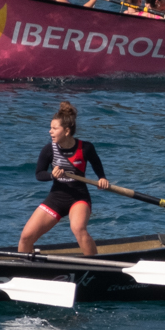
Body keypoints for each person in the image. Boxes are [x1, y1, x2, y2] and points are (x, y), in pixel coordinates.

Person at [18, 102, 110, 257]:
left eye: (54, 128)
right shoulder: (49, 149)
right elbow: (39, 174)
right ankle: (22, 266)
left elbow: (96, 164)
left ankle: (96, 264)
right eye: (50, 128)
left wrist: (102, 178)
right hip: (56, 197)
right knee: (26, 237)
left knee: (78, 228)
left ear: (66, 131)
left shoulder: (85, 148)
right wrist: (52, 175)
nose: (50, 131)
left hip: (79, 197)